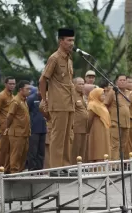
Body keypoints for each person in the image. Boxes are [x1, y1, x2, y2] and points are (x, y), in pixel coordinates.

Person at [39, 28, 75, 170]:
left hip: (69, 102)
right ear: (61, 41)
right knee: (58, 137)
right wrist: (45, 100)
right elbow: (42, 80)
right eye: (69, 40)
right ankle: (55, 168)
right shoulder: (54, 58)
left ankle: (65, 167)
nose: (72, 43)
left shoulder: (69, 59)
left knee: (67, 138)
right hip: (58, 103)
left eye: (73, 40)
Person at [4, 80, 31, 173]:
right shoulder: (15, 101)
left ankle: (19, 172)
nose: (29, 91)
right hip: (17, 133)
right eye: (27, 89)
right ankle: (14, 173)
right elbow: (9, 116)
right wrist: (7, 127)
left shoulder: (24, 100)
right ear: (21, 90)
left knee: (23, 155)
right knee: (16, 154)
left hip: (25, 132)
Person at [104, 74, 130, 161]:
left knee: (123, 145)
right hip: (115, 122)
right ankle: (114, 165)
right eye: (120, 80)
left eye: (124, 80)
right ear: (116, 82)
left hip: (126, 123)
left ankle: (120, 163)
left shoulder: (128, 93)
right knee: (115, 145)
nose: (122, 82)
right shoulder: (112, 92)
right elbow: (105, 105)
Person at [0, 76, 16, 175]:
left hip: (11, 125)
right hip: (4, 126)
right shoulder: (1, 96)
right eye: (10, 83)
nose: (12, 85)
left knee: (10, 150)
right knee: (3, 150)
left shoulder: (12, 96)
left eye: (13, 84)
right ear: (5, 84)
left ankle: (7, 169)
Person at [87, 88, 111, 162]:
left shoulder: (101, 105)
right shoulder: (92, 105)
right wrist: (88, 129)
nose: (104, 96)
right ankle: (98, 163)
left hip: (104, 128)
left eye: (104, 94)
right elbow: (89, 119)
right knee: (98, 146)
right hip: (97, 128)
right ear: (96, 95)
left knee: (104, 146)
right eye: (102, 94)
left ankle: (104, 162)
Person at [27, 86, 46, 171]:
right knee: (33, 151)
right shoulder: (31, 98)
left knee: (41, 151)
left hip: (43, 128)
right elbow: (26, 112)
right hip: (34, 128)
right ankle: (32, 169)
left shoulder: (46, 98)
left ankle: (40, 169)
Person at [71, 77, 88, 164]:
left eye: (83, 84)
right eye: (79, 84)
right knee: (75, 148)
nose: (82, 86)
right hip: (76, 126)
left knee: (82, 148)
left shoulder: (83, 96)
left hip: (84, 126)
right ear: (74, 85)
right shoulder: (72, 95)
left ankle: (81, 166)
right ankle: (73, 166)